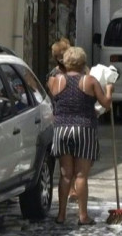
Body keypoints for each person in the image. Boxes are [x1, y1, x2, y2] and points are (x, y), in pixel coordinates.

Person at [48, 47, 114, 226]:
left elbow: (56, 102)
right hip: (84, 128)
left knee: (65, 175)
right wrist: (109, 87)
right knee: (81, 175)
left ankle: (61, 215)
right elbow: (106, 104)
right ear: (83, 63)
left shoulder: (54, 81)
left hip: (61, 129)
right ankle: (83, 216)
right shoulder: (89, 81)